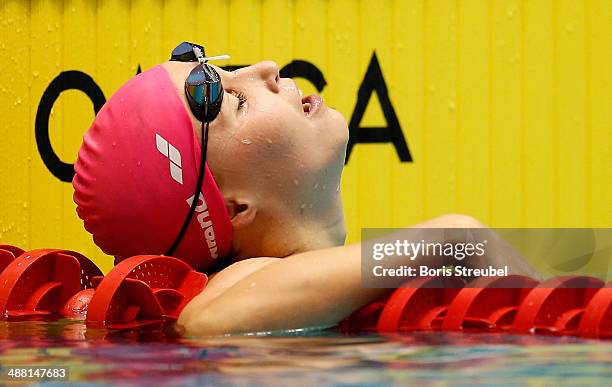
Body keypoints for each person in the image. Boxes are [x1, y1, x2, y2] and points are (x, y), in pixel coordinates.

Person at [73, 42, 537, 336]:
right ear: (232, 209)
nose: (267, 68)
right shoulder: (239, 279)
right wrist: (449, 240)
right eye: (233, 99)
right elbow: (207, 320)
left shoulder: (325, 286)